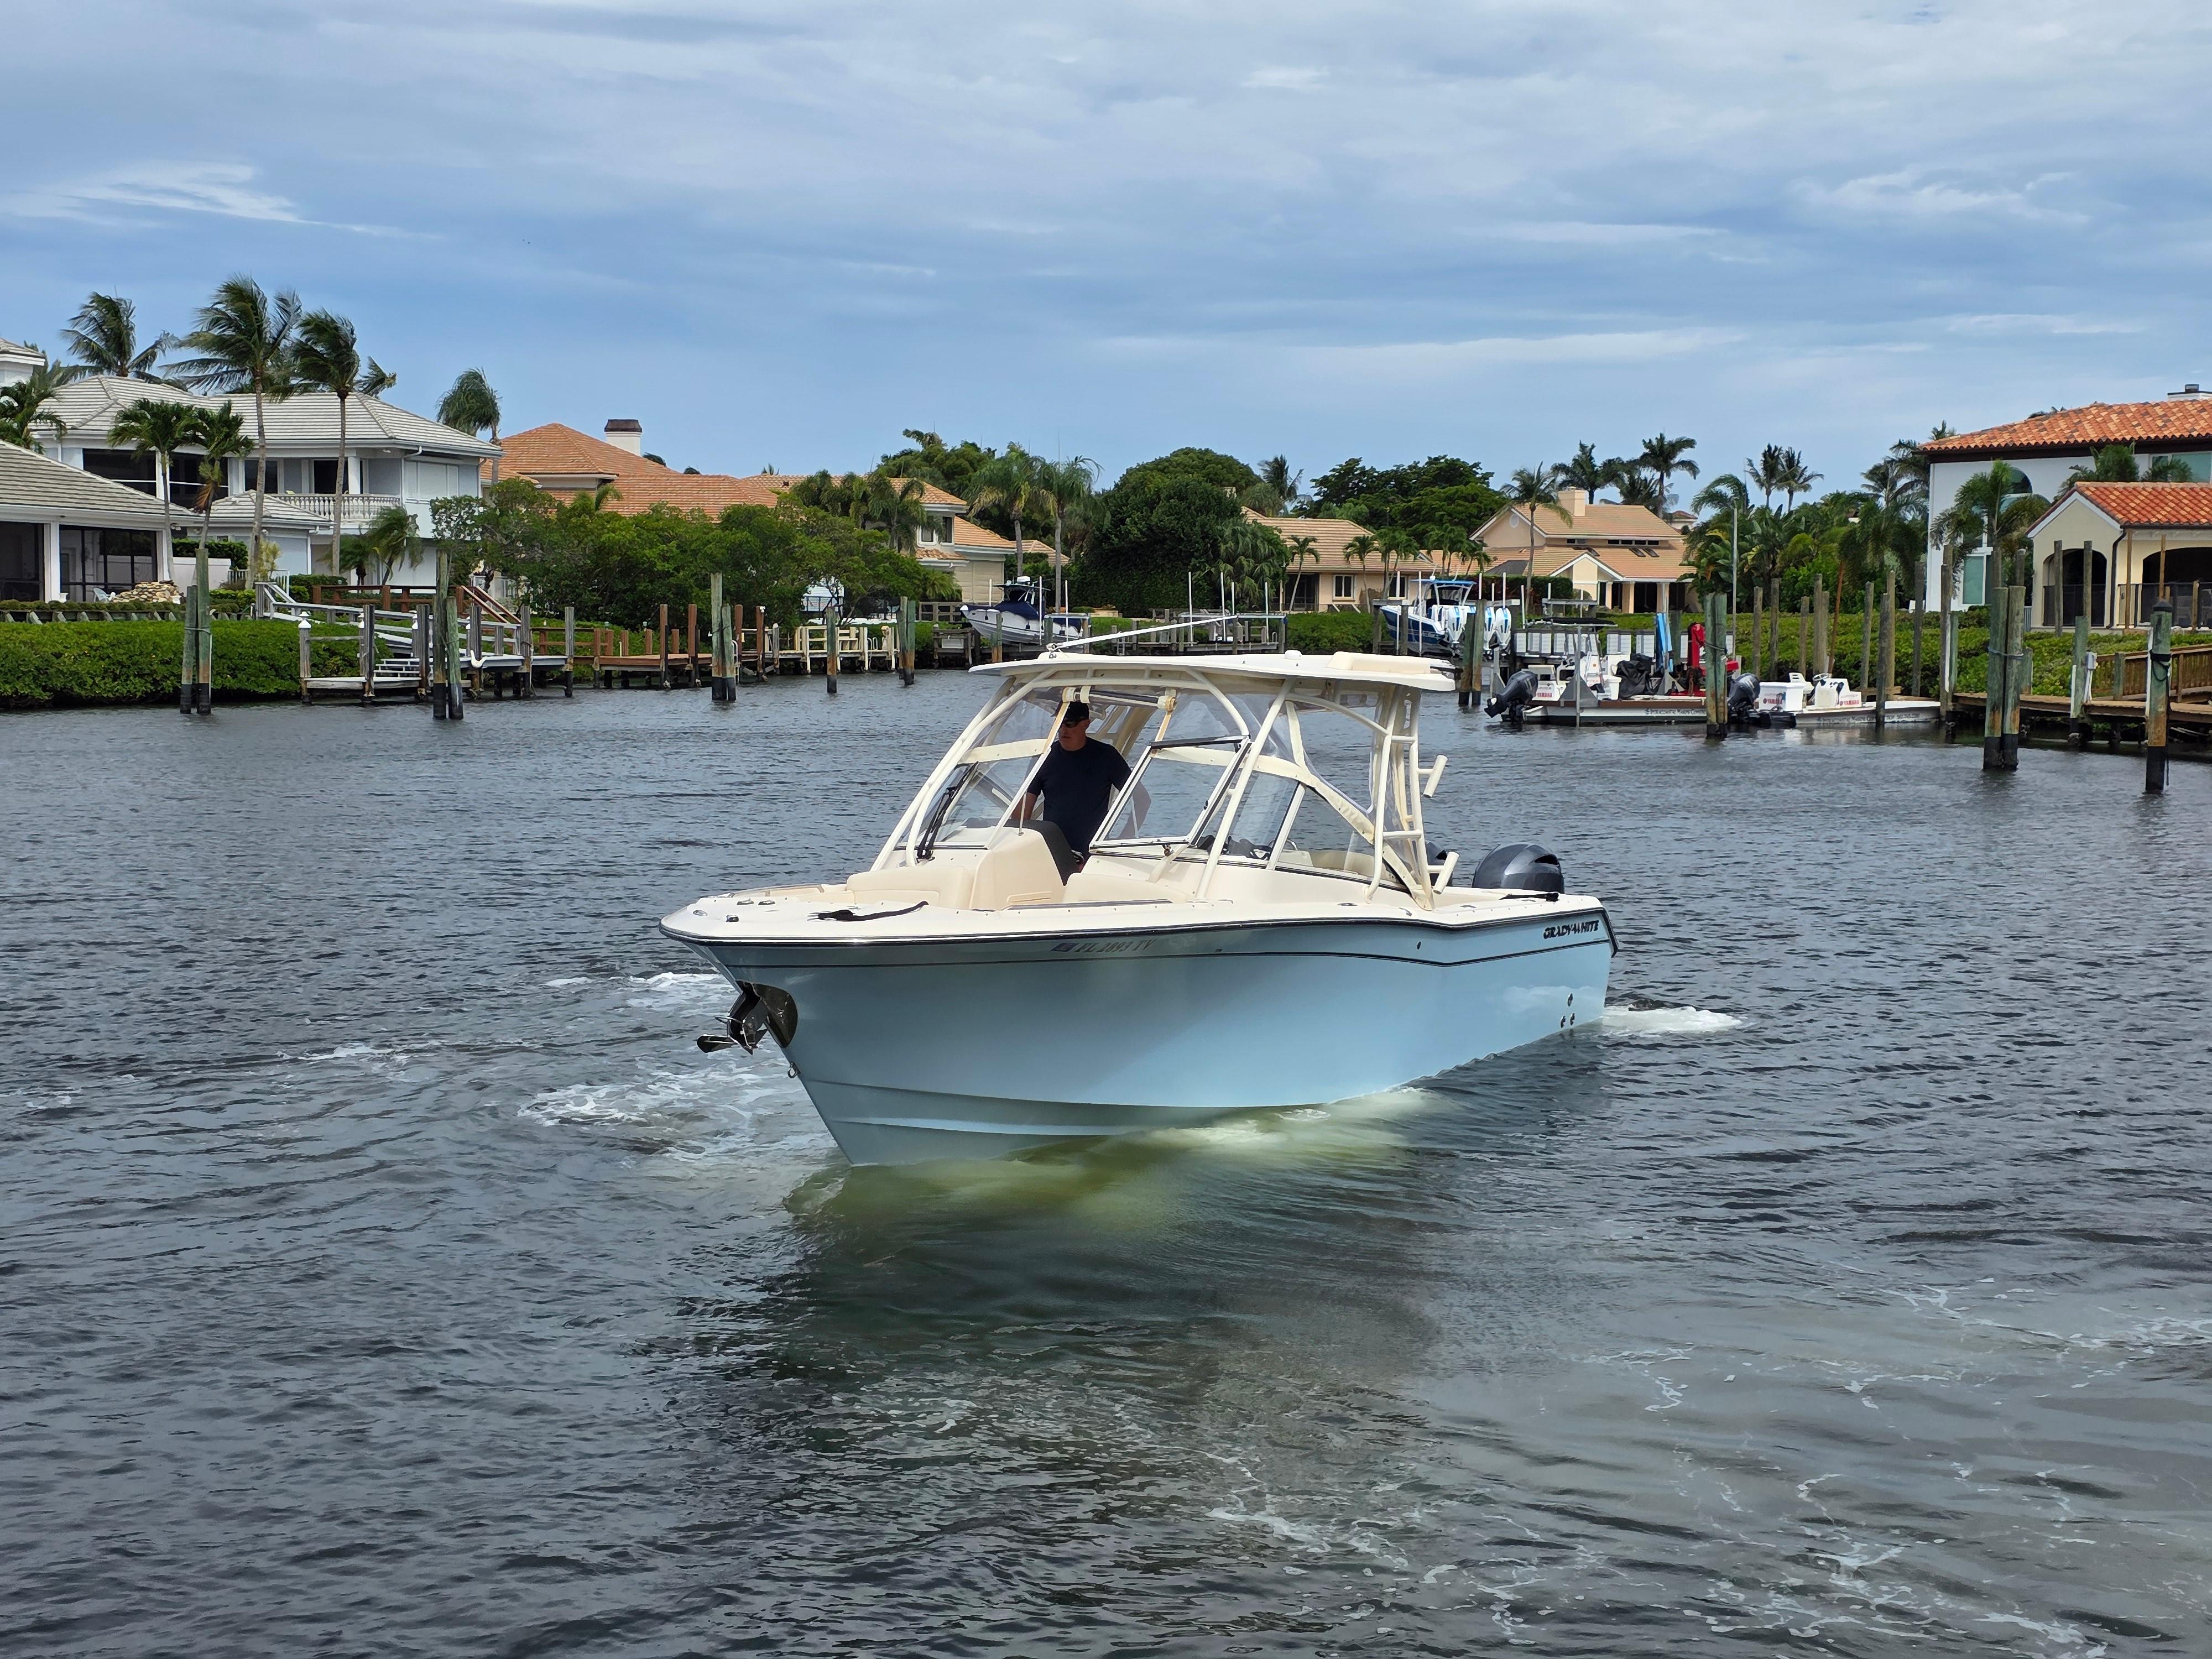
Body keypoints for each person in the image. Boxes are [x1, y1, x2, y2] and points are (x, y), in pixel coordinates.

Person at [1020, 701, 1131, 864]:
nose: (1063, 729)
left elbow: (1141, 799)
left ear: (1086, 724)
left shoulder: (1107, 756)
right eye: (1060, 723)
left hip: (1093, 856)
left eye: (1070, 723)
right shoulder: (1044, 757)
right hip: (1051, 853)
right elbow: (1024, 810)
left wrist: (1123, 839)